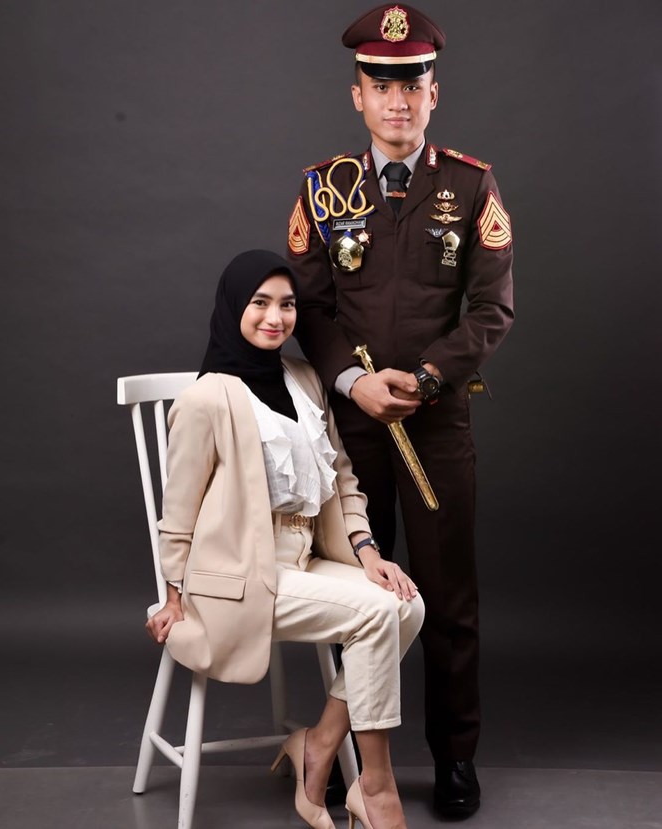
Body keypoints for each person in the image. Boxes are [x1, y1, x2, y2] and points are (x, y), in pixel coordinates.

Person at [286, 4, 514, 819]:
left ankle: (455, 756)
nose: (396, 101)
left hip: (434, 420)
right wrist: (354, 382)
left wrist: (420, 377)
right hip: (352, 427)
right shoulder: (322, 189)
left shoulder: (470, 185)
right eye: (380, 86)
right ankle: (348, 753)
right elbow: (310, 307)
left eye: (411, 85)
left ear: (432, 93)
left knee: (446, 598)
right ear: (357, 96)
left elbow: (489, 311)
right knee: (359, 594)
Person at [146, 249, 424, 829]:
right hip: (237, 572)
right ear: (233, 307)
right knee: (378, 616)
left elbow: (341, 475)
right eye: (260, 303)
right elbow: (178, 511)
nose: (275, 317)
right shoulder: (206, 398)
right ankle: (376, 787)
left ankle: (317, 743)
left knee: (407, 604)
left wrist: (368, 552)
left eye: (287, 304)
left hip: (305, 556)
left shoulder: (303, 379)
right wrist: (172, 593)